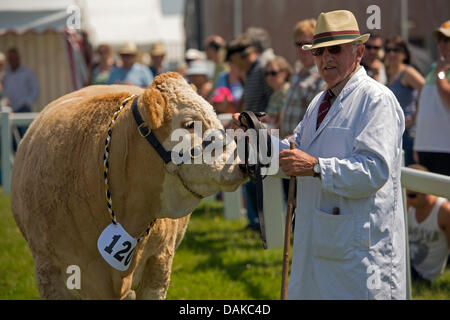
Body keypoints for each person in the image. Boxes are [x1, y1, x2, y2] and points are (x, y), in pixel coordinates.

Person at [232, 10, 406, 299]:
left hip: (362, 257)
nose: (326, 59)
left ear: (359, 51)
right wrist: (254, 135)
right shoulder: (319, 101)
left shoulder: (376, 100)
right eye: (319, 52)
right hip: (322, 245)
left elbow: (374, 171)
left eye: (335, 50)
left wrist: (316, 167)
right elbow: (293, 152)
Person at [228, 34, 273, 231]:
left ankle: (262, 224)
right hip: (250, 131)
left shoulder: (263, 68)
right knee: (251, 177)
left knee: (259, 180)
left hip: (262, 131)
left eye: (233, 60)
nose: (232, 65)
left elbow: (272, 99)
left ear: (241, 56)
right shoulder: (251, 71)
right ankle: (255, 222)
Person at [278, 19, 325, 201]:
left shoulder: (320, 75)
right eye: (299, 44)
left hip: (303, 149)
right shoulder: (298, 73)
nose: (302, 48)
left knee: (299, 203)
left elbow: (316, 116)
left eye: (308, 43)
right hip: (288, 144)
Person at [414, 20, 450, 176]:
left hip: (445, 149)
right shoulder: (434, 67)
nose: (442, 44)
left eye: (447, 40)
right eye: (440, 39)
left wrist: (441, 75)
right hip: (425, 148)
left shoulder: (438, 70)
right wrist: (418, 142)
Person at [384, 35, 425, 166]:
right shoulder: (389, 73)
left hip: (408, 134)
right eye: (388, 50)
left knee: (409, 177)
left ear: (405, 54)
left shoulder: (408, 72)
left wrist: (414, 118)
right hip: (394, 133)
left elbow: (426, 91)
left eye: (396, 50)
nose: (391, 53)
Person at [406, 164, 450, 284]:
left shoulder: (444, 212)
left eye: (412, 195)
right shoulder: (408, 206)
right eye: (404, 194)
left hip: (425, 277)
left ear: (426, 190)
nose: (407, 199)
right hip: (405, 269)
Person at [2, 48, 39, 138]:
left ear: (18, 58)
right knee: (11, 138)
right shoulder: (5, 73)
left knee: (26, 136)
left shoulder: (27, 72)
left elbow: (35, 88)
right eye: (10, 59)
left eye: (14, 59)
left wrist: (28, 102)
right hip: (9, 110)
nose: (12, 61)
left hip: (23, 109)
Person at [263, 56, 293, 129]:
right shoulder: (275, 93)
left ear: (284, 73)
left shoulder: (286, 91)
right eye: (267, 73)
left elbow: (281, 122)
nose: (269, 77)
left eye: (273, 73)